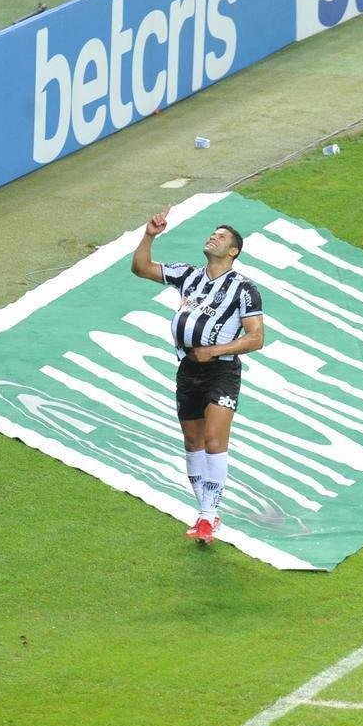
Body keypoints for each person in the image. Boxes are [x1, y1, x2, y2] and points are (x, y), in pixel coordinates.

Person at [131, 207, 264, 544]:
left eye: (221, 237)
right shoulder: (189, 275)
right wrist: (149, 235)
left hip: (221, 371)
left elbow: (256, 337)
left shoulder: (243, 289)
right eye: (212, 234)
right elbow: (141, 268)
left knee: (215, 441)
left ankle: (206, 517)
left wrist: (214, 350)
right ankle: (207, 512)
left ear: (233, 251)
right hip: (188, 368)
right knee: (193, 442)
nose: (213, 237)